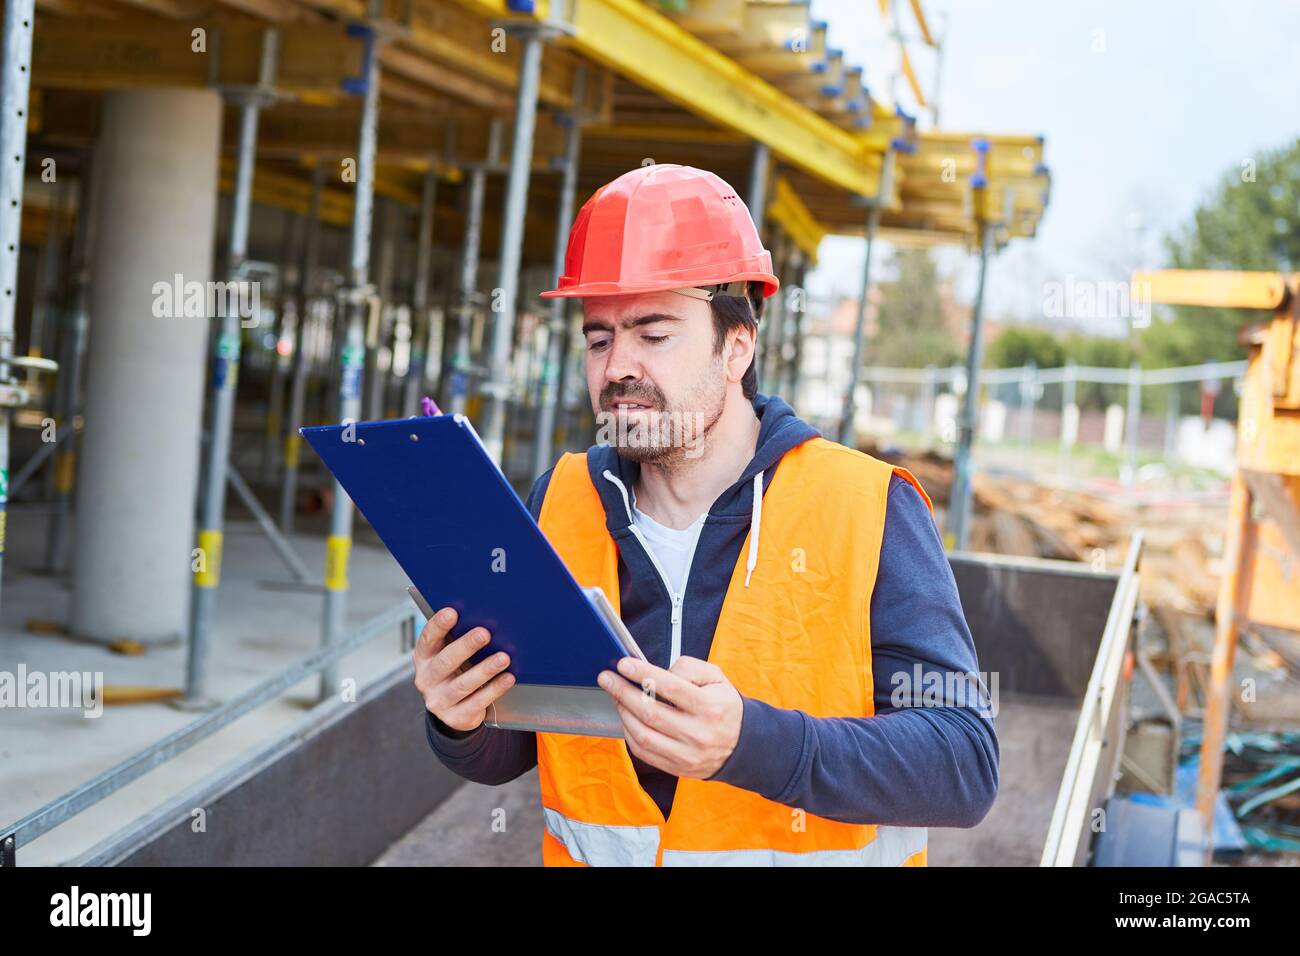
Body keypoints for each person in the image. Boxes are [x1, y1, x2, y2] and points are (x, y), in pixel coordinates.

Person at [414, 163, 997, 867]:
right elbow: (519, 745)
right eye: (599, 339)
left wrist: (753, 743)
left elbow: (964, 764)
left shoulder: (867, 507)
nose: (617, 367)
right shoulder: (560, 500)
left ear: (737, 346)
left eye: (653, 334)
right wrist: (462, 718)